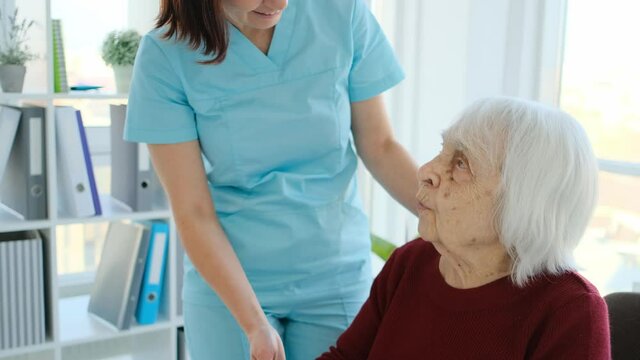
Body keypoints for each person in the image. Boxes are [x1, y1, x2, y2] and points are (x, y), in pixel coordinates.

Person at [123, 0, 418, 359]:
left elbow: (381, 146)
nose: (279, 3)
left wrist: (461, 222)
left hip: (334, 273)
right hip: (232, 285)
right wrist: (253, 324)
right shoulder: (166, 55)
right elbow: (193, 211)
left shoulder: (342, 12)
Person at [318, 97, 611, 359]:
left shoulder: (570, 312)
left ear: (523, 201)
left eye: (461, 163)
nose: (425, 172)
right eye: (442, 152)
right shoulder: (411, 262)